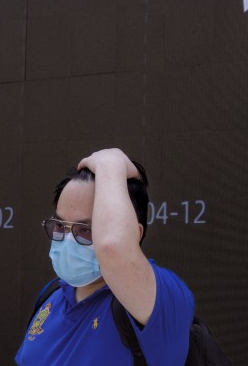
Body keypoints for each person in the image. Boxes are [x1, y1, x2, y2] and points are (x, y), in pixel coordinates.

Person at [15, 148, 194, 365]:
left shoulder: (163, 298)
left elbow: (113, 247)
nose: (67, 240)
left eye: (87, 229)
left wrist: (111, 160)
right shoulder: (52, 295)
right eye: (60, 226)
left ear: (134, 234)